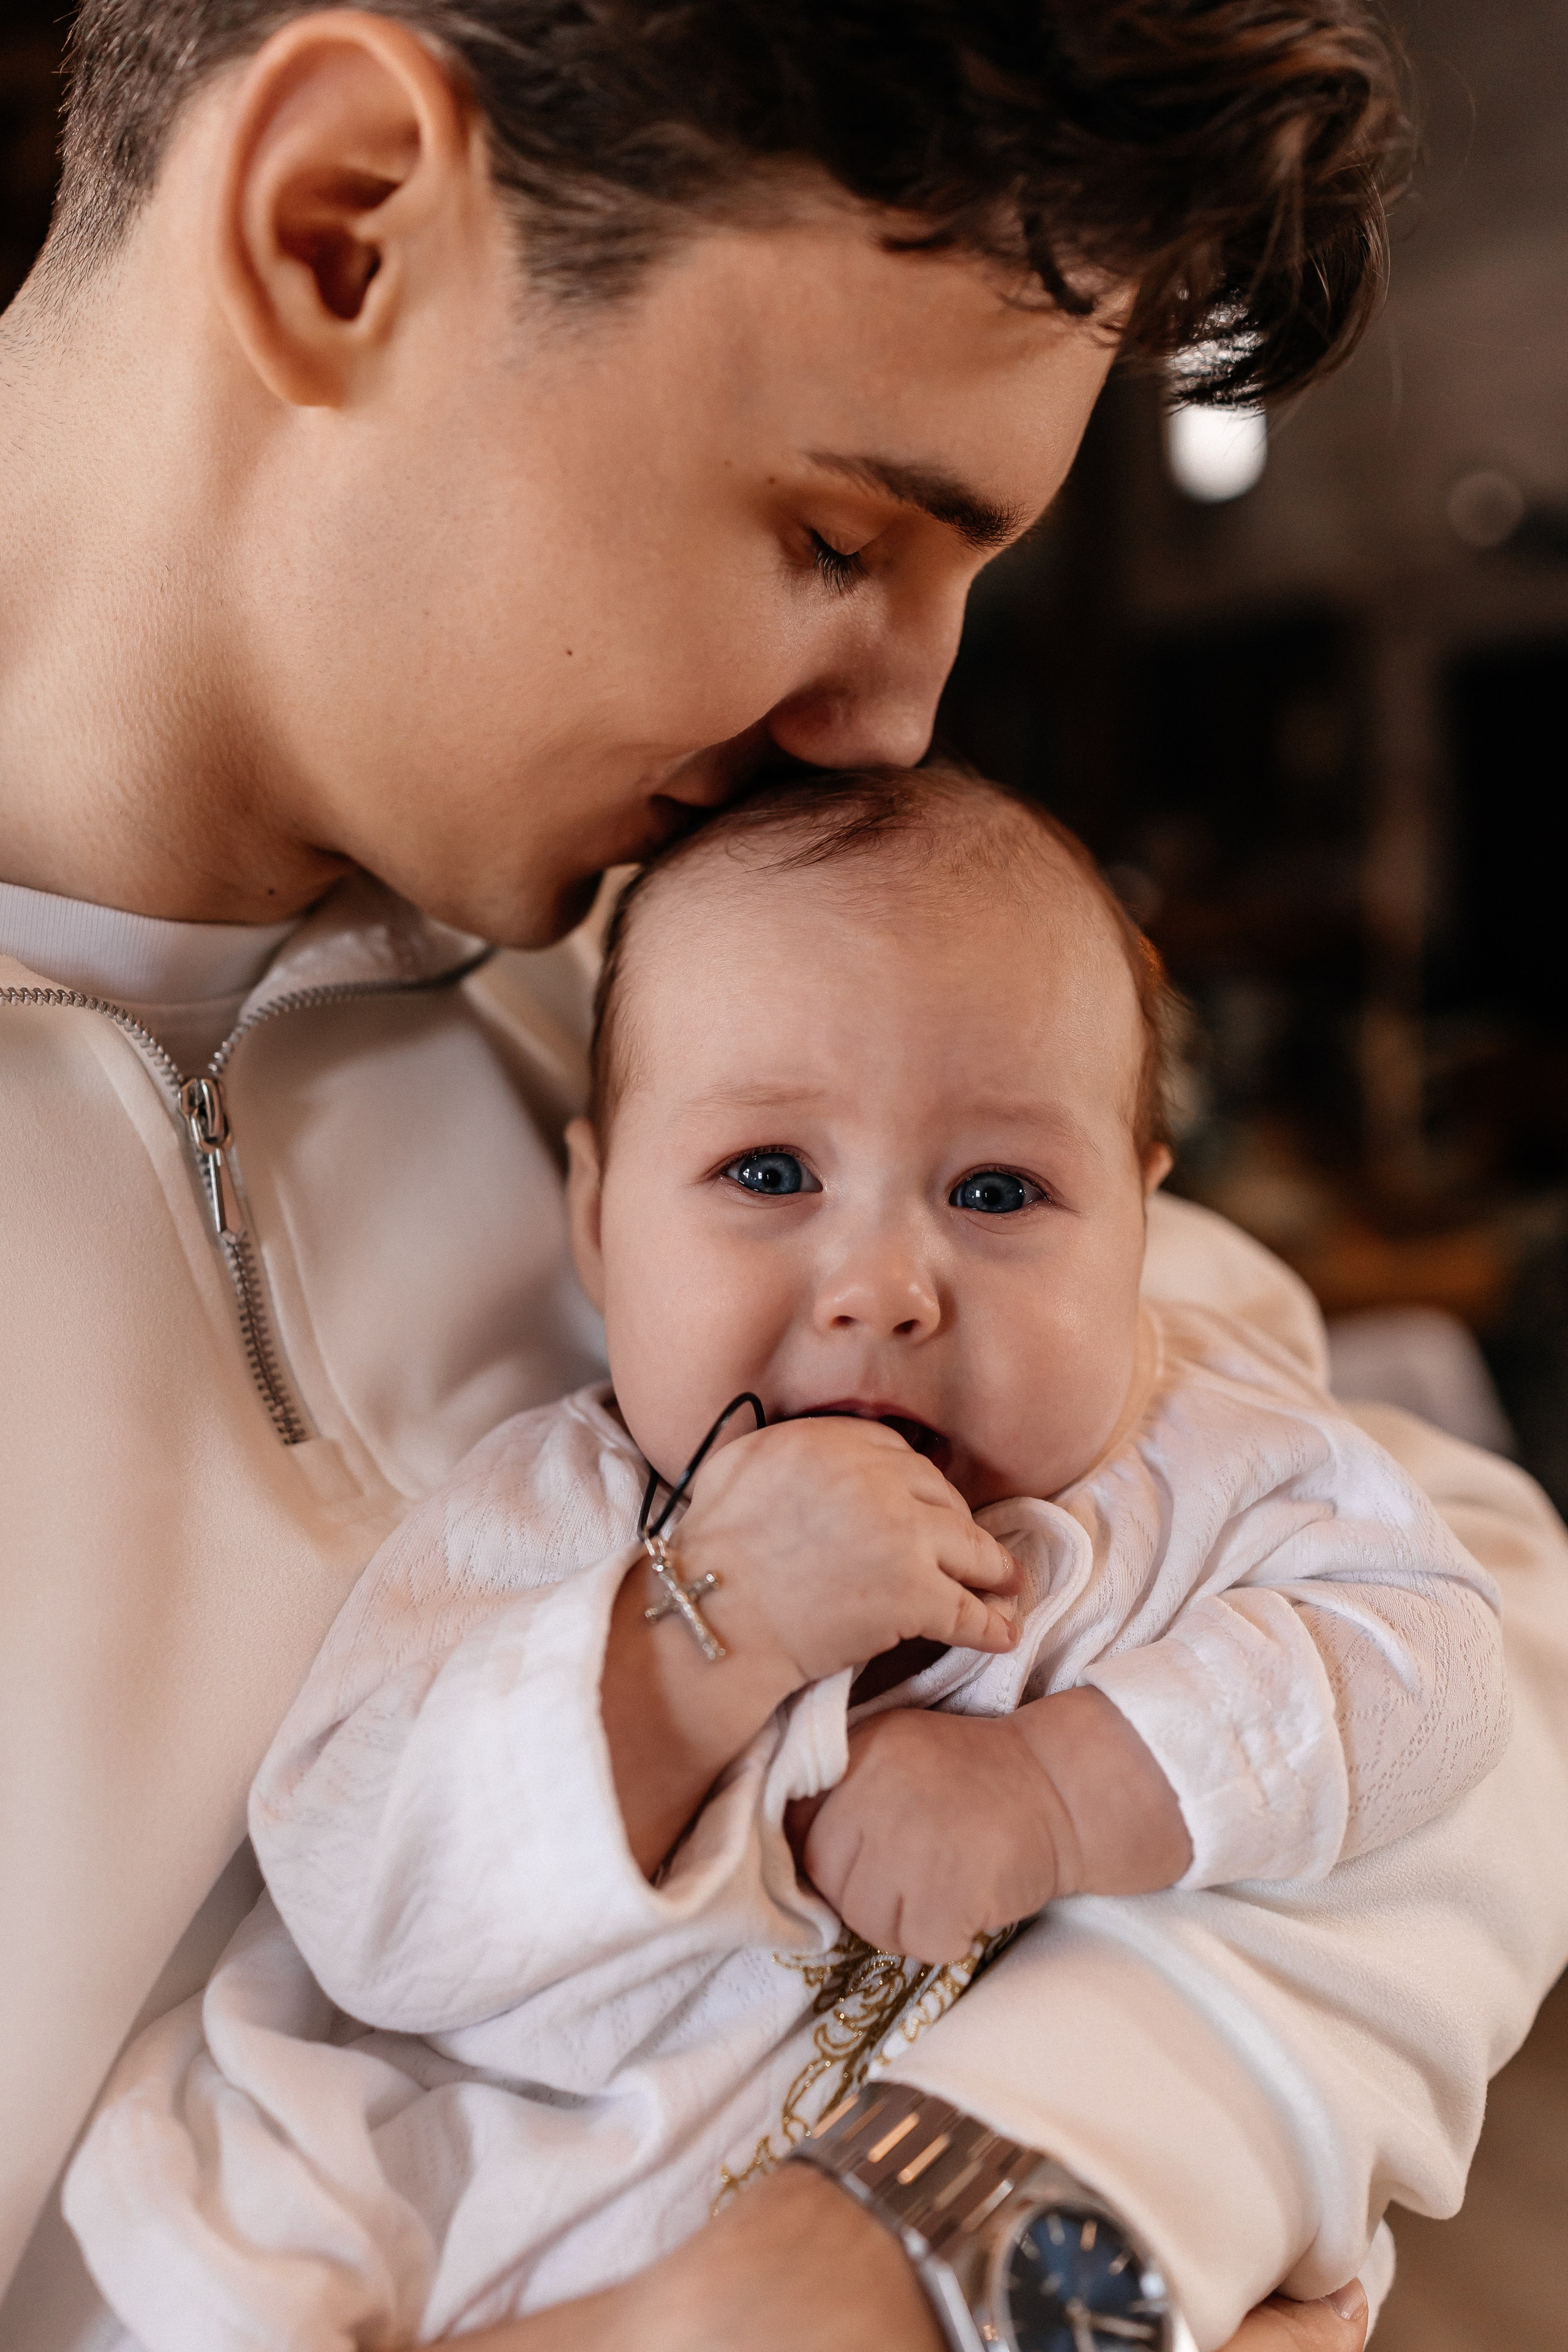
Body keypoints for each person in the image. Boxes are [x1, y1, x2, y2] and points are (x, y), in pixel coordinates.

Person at [1, 6, 1565, 2352]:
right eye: (836, 532)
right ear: (342, 233)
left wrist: (980, 2233)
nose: (898, 731)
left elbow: (1459, 1593)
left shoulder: (682, 993)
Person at [63, 769, 1513, 2350]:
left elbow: (1438, 1654)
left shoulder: (1195, 1463)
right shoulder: (566, 1513)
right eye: (769, 1174)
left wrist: (1062, 1790)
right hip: (472, 2242)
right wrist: (709, 1636)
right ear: (600, 1216)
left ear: (1139, 1231)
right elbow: (362, 1894)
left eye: (999, 1192)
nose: (884, 1288)